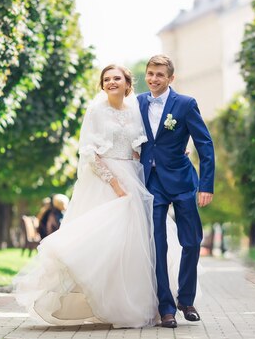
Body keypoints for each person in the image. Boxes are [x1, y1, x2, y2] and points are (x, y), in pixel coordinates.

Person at [13, 65, 161, 328]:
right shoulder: (96, 111)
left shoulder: (135, 110)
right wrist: (114, 184)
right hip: (105, 182)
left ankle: (124, 305)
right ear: (101, 85)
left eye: (117, 78)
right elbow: (90, 152)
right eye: (107, 79)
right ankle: (99, 301)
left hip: (133, 177)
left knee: (130, 247)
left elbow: (139, 147)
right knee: (102, 243)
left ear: (128, 83)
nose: (111, 82)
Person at [137, 54, 215, 329]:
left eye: (160, 75)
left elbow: (205, 144)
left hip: (182, 181)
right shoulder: (136, 103)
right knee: (158, 244)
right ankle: (166, 308)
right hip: (152, 182)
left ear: (171, 79)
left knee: (192, 241)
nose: (154, 79)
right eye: (150, 74)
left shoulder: (185, 104)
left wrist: (206, 185)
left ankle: (186, 299)